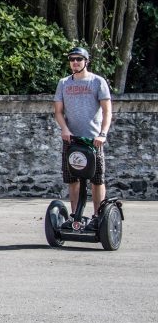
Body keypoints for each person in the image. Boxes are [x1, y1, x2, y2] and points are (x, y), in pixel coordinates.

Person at [54, 47, 113, 228]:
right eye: (72, 59)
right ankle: (75, 218)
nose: (75, 62)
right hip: (71, 141)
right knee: (72, 179)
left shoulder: (97, 82)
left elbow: (107, 110)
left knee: (97, 180)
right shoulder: (64, 83)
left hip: (93, 140)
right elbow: (58, 111)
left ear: (86, 61)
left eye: (79, 59)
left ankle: (97, 217)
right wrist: (64, 129)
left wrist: (103, 134)